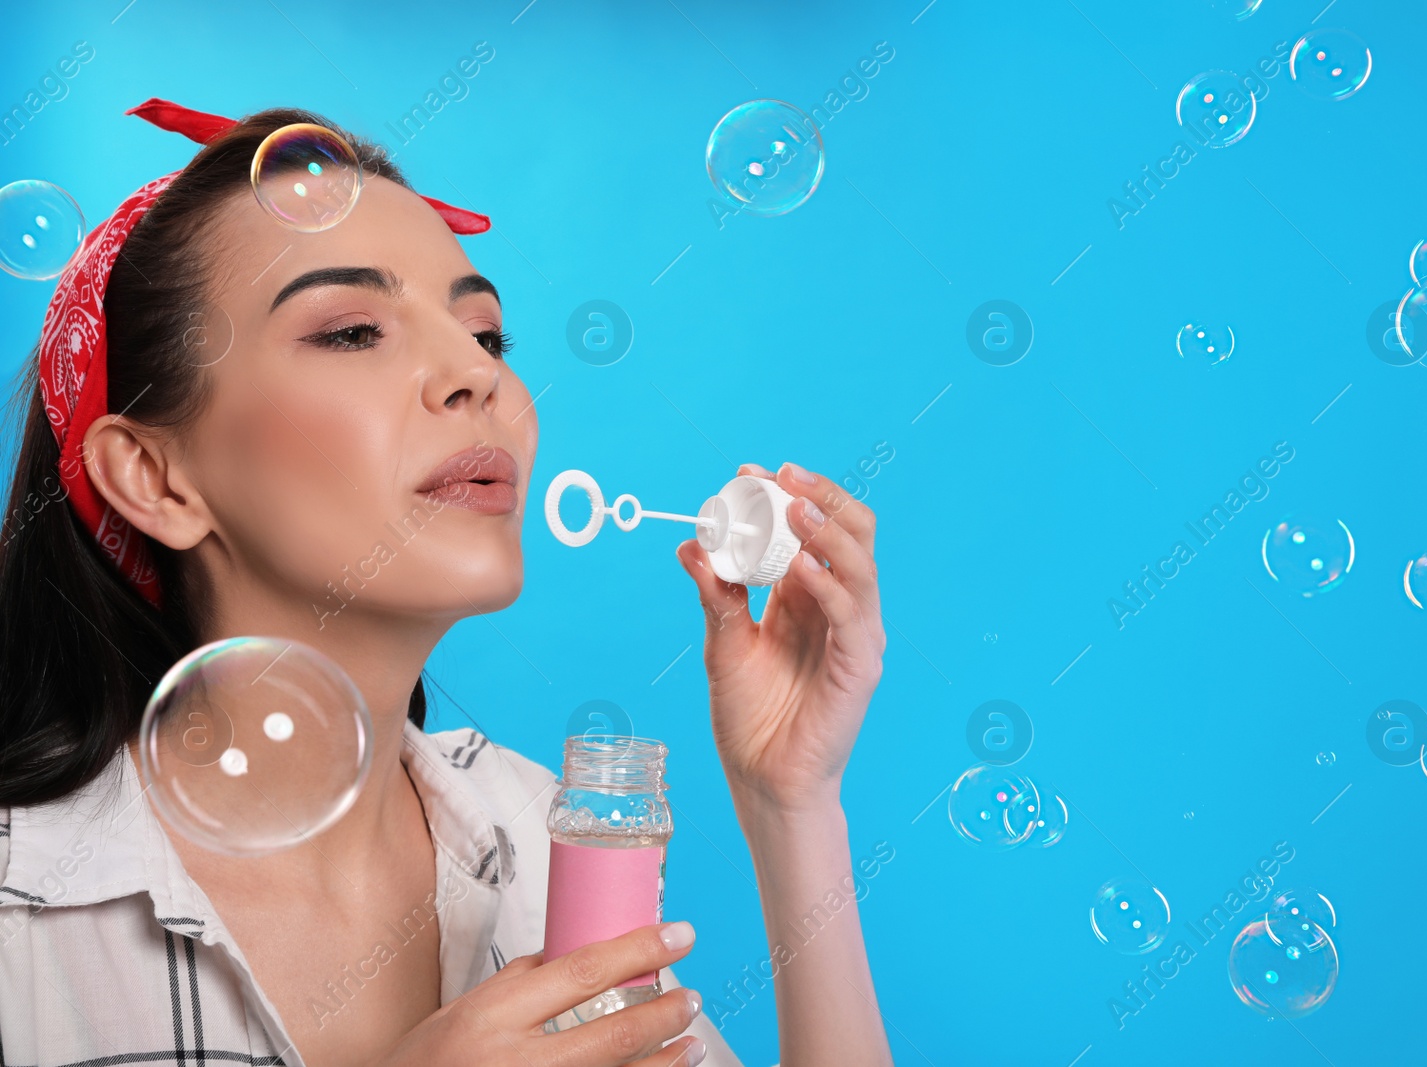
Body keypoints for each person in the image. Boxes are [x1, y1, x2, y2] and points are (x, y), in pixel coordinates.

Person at [0, 99, 893, 1067]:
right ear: (157, 477)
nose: (477, 376)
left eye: (486, 335)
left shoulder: (550, 833)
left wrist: (791, 805)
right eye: (350, 331)